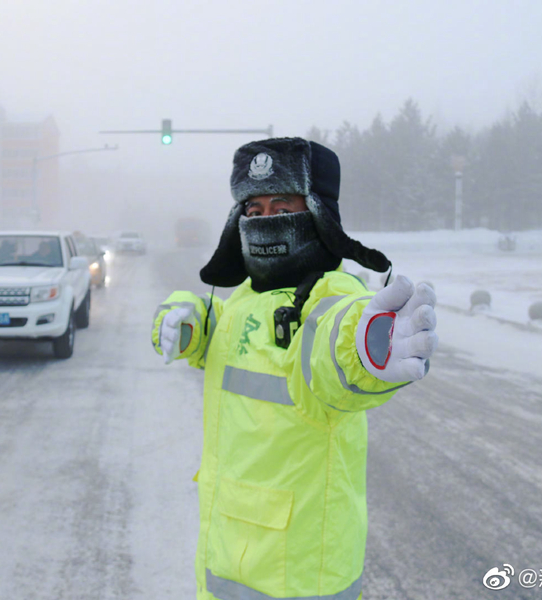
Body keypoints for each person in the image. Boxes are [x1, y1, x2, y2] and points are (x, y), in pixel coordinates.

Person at [150, 137, 438, 600]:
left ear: (317, 213)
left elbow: (333, 346)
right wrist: (187, 320)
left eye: (283, 206)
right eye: (255, 211)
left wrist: (364, 349)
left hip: (300, 576)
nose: (266, 222)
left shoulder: (329, 299)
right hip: (227, 563)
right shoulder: (245, 300)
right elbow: (225, 340)